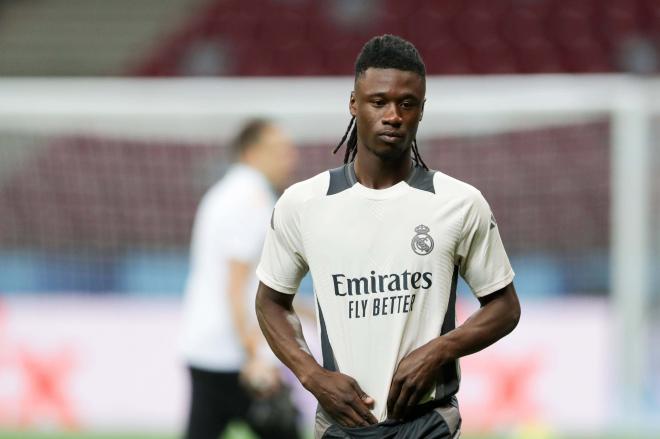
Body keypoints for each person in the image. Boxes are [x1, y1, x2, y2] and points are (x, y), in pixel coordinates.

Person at [255, 35, 521, 438]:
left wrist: (440, 350)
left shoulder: (459, 203)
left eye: (407, 104)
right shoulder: (303, 204)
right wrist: (312, 375)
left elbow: (504, 307)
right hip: (342, 426)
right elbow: (270, 302)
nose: (393, 115)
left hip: (428, 422)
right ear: (353, 103)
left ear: (421, 110)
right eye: (378, 102)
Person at [180, 119, 300, 439]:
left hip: (208, 344)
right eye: (280, 150)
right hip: (231, 353)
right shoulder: (250, 199)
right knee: (284, 428)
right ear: (252, 153)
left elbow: (248, 284)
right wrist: (253, 356)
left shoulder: (225, 193)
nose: (290, 158)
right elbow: (235, 287)